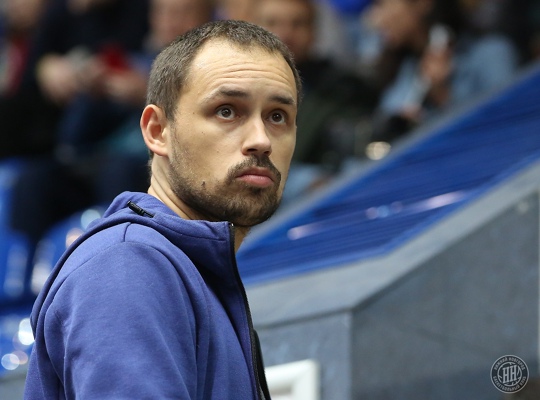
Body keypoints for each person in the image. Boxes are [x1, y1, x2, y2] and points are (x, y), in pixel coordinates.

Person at [24, 19, 300, 399]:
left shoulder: (189, 271)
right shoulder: (128, 266)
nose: (261, 140)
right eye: (226, 111)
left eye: (277, 116)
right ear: (157, 131)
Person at [255, 0, 379, 201]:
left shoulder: (344, 89)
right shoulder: (234, 92)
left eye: (297, 24)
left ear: (313, 32)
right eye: (273, 23)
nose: (285, 34)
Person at [367, 0, 519, 145]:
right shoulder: (403, 73)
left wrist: (442, 96)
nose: (375, 19)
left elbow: (507, 128)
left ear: (422, 3)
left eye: (382, 4)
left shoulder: (492, 54)